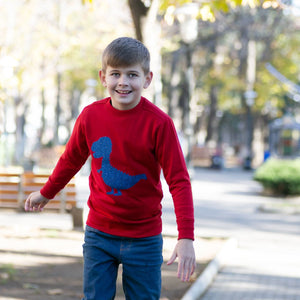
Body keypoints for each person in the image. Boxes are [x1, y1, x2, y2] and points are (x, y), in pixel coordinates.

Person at [25, 37, 195, 300]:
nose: (123, 82)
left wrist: (186, 237)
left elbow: (179, 181)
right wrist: (47, 193)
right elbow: (71, 160)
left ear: (147, 79)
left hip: (144, 237)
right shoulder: (90, 117)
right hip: (99, 235)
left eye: (132, 75)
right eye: (115, 74)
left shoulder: (160, 124)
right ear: (103, 77)